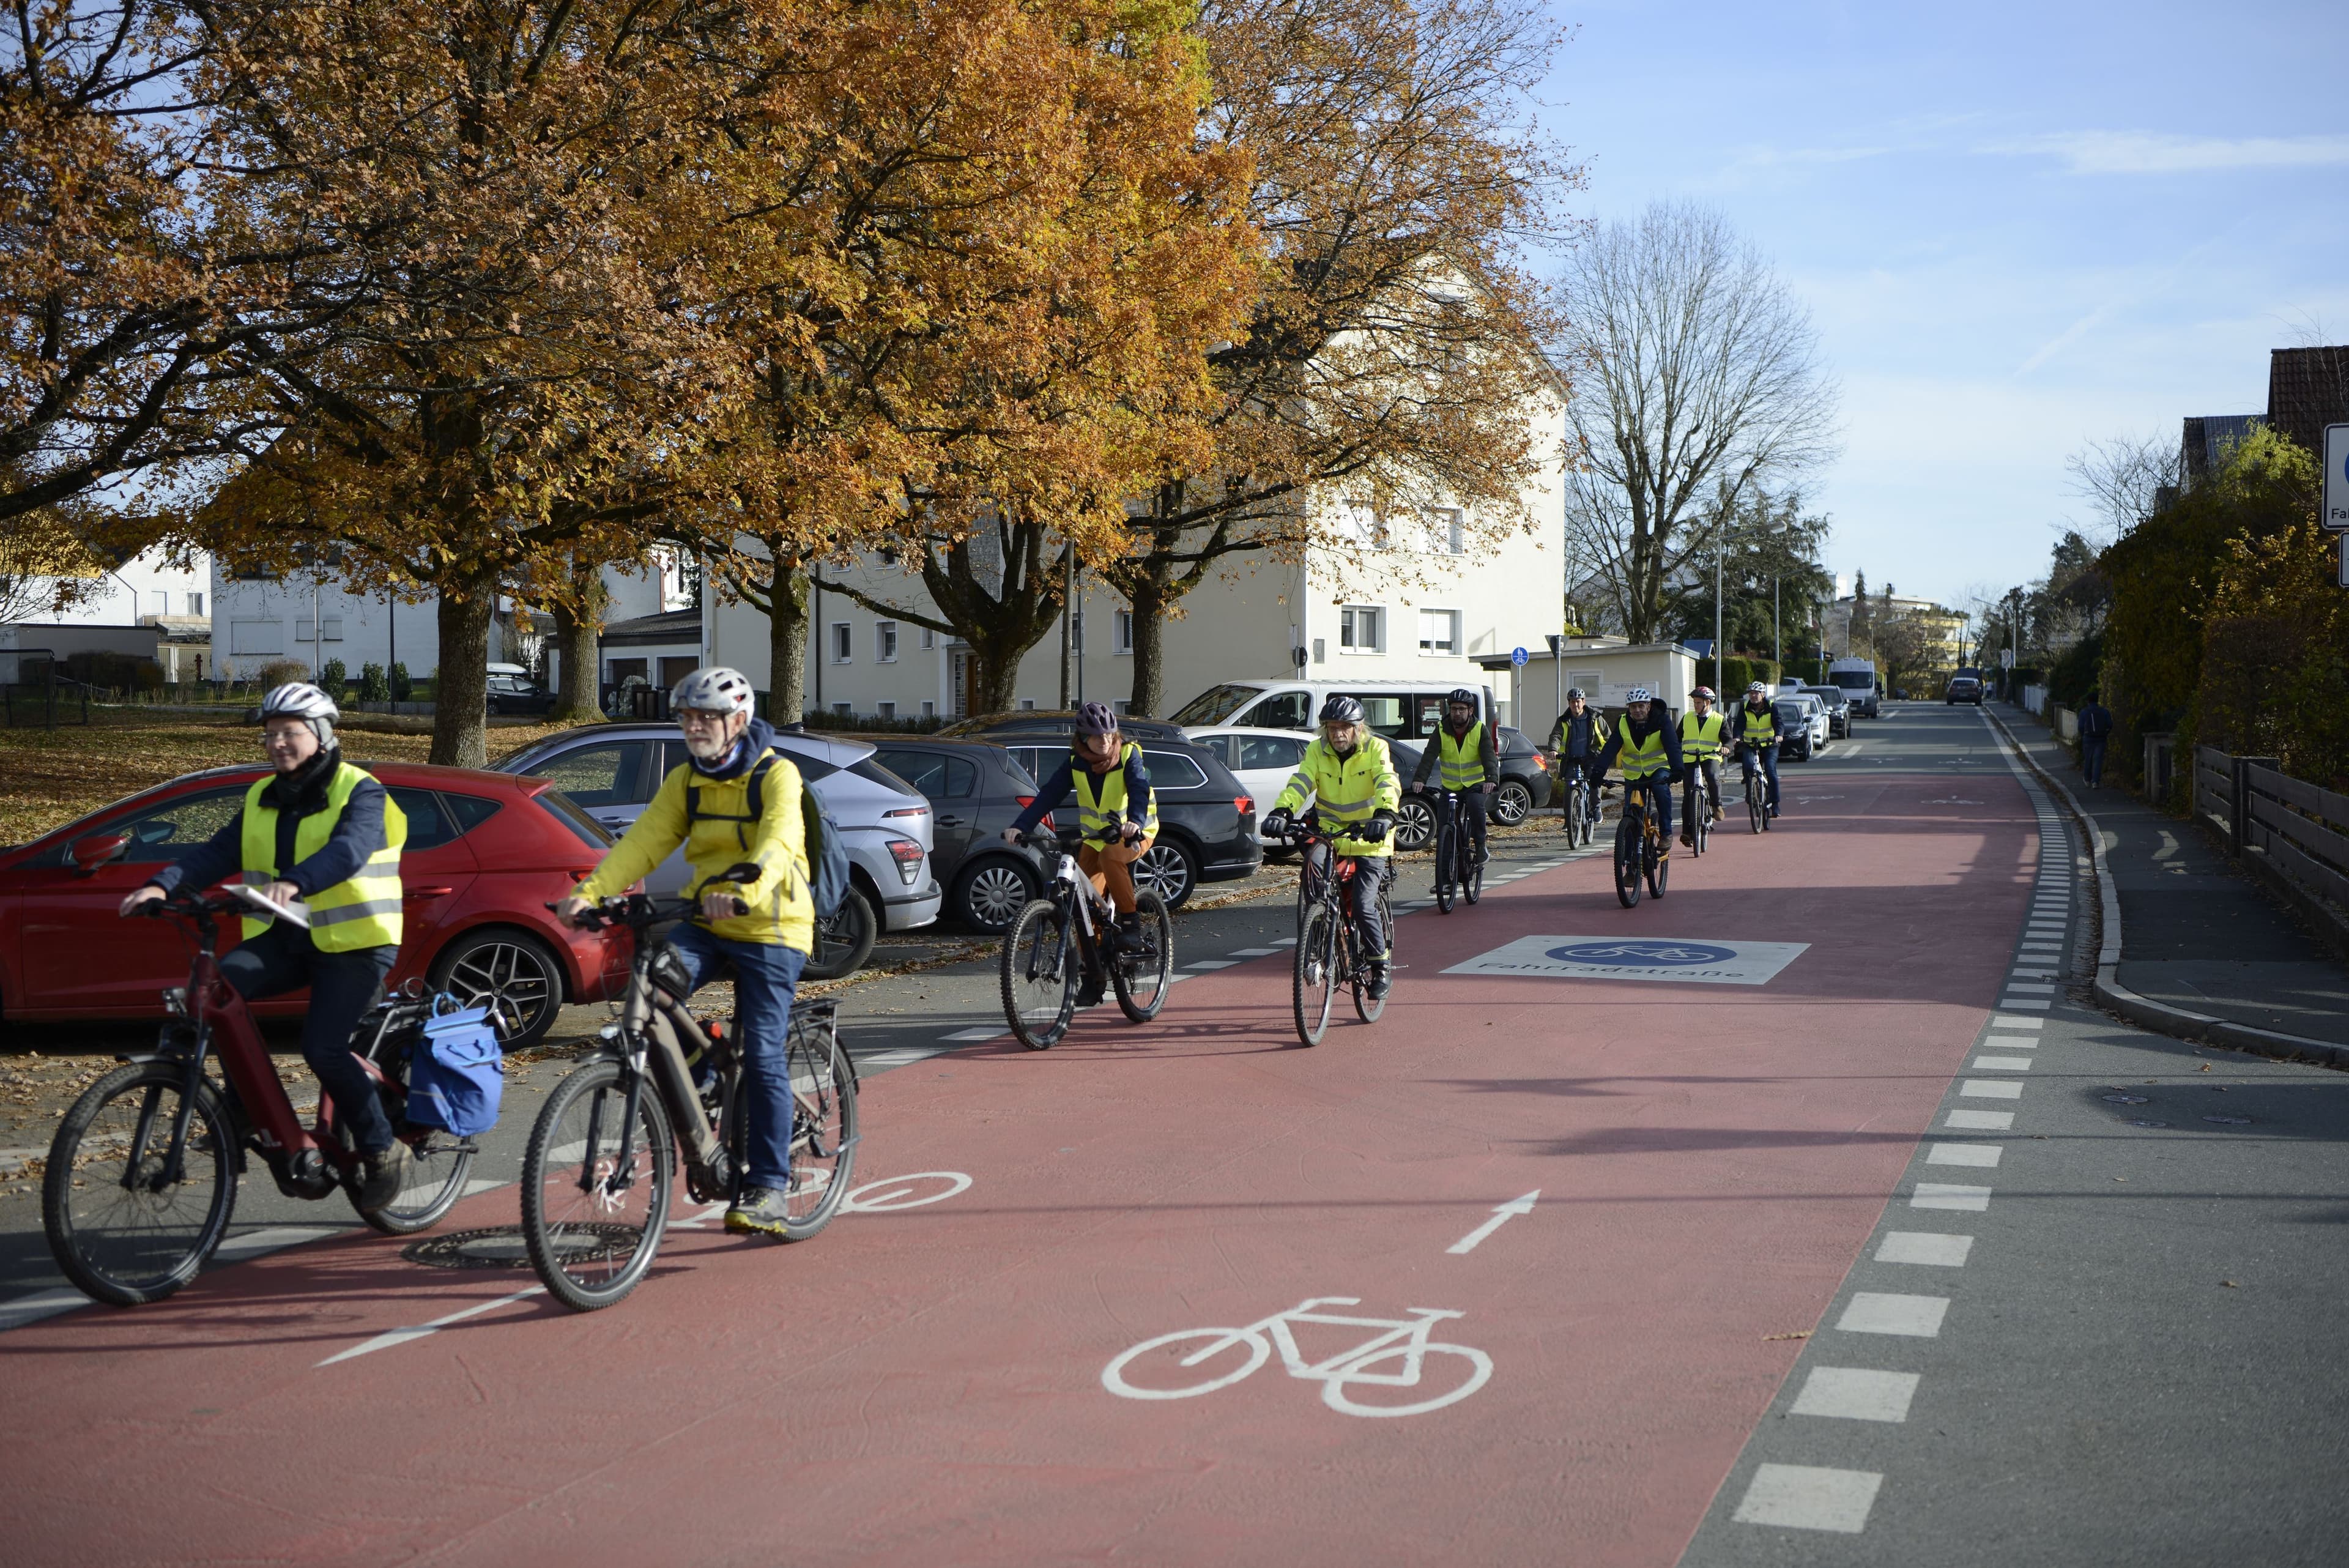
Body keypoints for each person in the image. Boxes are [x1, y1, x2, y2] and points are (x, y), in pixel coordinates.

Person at [119, 683, 414, 1209]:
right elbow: (218, 851)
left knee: (322, 1048)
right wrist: (162, 883)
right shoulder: (262, 794)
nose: (277, 742)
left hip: (357, 943)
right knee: (217, 996)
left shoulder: (361, 791)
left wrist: (297, 881)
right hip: (287, 936)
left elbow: (349, 851)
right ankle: (242, 1109)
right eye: (270, 734)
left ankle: (379, 1145)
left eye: (289, 733)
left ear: (322, 736)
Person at [557, 666, 813, 1237]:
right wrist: (590, 893)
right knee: (653, 992)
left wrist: (742, 889)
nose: (695, 727)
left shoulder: (777, 775)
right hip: (707, 920)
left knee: (765, 1054)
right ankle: (704, 1070)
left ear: (739, 721)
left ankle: (768, 1186)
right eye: (688, 717)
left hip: (772, 925)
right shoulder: (686, 781)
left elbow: (778, 841)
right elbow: (645, 841)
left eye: (707, 717)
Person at [1003, 701, 1157, 1008]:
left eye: (1109, 735)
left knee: (1111, 859)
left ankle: (1131, 924)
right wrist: (1021, 826)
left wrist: (1135, 823)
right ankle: (1093, 977)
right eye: (1097, 736)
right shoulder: (1075, 761)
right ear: (1082, 738)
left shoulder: (1128, 755)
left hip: (1135, 832)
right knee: (1082, 908)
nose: (1105, 741)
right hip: (1095, 838)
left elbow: (1139, 789)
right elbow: (1048, 795)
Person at [1261, 695, 1402, 1000]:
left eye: (1345, 727)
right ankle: (1322, 931)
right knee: (1313, 867)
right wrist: (1283, 811)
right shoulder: (1317, 750)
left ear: (1358, 728)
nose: (1338, 734)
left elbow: (1387, 782)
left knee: (1364, 905)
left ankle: (1380, 967)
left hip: (1370, 839)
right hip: (1332, 835)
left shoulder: (1375, 748)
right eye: (1332, 727)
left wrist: (1386, 814)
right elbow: (1301, 782)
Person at [1409, 686, 1496, 880]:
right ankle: (1444, 881)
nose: (1457, 713)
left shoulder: (1479, 730)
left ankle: (1481, 845)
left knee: (1475, 805)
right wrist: (1419, 780)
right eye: (1454, 708)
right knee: (1445, 831)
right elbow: (1429, 757)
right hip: (1450, 786)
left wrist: (1491, 780)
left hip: (1475, 784)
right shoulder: (1441, 730)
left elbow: (1489, 758)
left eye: (1462, 709)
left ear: (1470, 710)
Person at [1597, 687, 1683, 852]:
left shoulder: (1661, 721)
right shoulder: (1623, 722)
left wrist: (1677, 769)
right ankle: (1630, 862)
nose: (1637, 710)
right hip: (1634, 774)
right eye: (1633, 707)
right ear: (1628, 708)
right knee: (1630, 814)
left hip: (1659, 768)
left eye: (1641, 706)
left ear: (1649, 706)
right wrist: (1598, 772)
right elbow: (1610, 749)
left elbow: (1672, 746)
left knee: (1660, 790)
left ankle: (1666, 833)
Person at [1548, 687, 1609, 828]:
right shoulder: (1563, 720)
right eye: (1573, 702)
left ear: (1584, 702)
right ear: (1569, 703)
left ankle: (1596, 808)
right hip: (1570, 758)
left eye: (1578, 701)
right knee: (1569, 787)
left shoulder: (1595, 717)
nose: (1576, 705)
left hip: (1591, 757)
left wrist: (1602, 752)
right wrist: (1553, 749)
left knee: (1594, 780)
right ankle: (1569, 819)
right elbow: (1556, 736)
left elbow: (1607, 735)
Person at [1679, 685, 1727, 847]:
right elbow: (1676, 738)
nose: (1695, 705)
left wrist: (1727, 747)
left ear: (1708, 702)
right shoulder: (1687, 718)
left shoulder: (1719, 720)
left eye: (1698, 702)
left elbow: (1728, 739)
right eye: (1694, 702)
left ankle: (1716, 805)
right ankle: (1687, 833)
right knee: (1688, 795)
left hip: (1710, 757)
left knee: (1713, 777)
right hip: (1690, 758)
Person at [1731, 681, 1781, 819]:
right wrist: (1737, 737)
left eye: (1756, 693)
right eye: (1751, 693)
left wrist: (1779, 735)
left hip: (1770, 745)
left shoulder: (1772, 707)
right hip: (1751, 744)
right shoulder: (1745, 707)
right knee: (1748, 766)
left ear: (1763, 694)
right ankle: (1750, 791)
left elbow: (1778, 723)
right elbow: (1739, 725)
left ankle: (1775, 805)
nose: (1753, 696)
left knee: (1771, 771)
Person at [2077, 691, 2113, 787]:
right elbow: (2110, 724)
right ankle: (2095, 782)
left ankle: (2087, 779)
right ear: (2098, 700)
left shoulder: (2084, 712)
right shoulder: (2105, 711)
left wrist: (2083, 735)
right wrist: (2105, 733)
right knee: (2098, 760)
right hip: (2101, 739)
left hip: (2088, 738)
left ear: (2088, 701)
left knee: (2088, 759)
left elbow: (2080, 727)